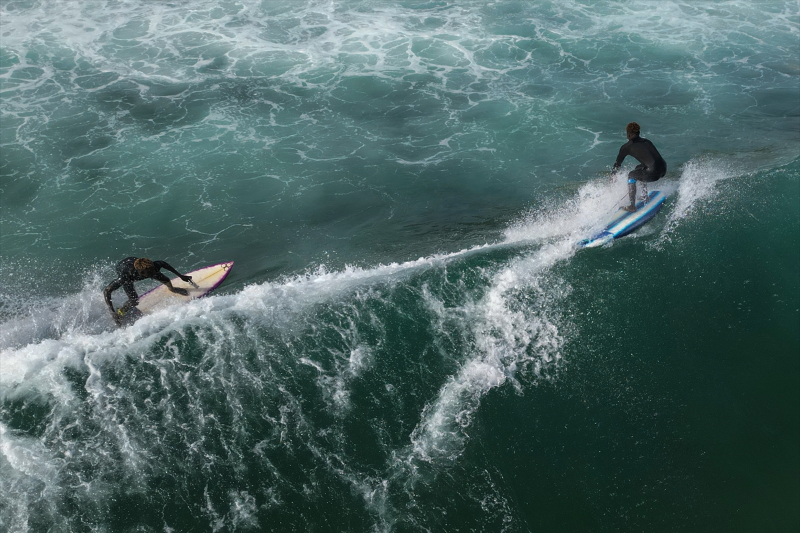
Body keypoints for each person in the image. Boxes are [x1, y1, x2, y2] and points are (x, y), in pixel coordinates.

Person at [103, 257, 193, 327]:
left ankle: (172, 289)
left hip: (136, 264)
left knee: (165, 279)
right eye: (149, 273)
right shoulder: (126, 275)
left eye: (153, 270)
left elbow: (164, 264)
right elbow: (106, 291)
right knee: (134, 300)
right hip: (123, 267)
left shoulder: (153, 267)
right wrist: (112, 312)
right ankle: (121, 312)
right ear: (140, 272)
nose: (153, 274)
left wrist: (181, 276)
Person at [612, 122, 667, 211]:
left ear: (628, 134)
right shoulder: (647, 141)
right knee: (639, 168)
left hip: (653, 173)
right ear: (638, 133)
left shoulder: (626, 147)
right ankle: (644, 195)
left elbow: (617, 164)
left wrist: (613, 175)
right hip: (663, 169)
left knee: (631, 175)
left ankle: (632, 206)